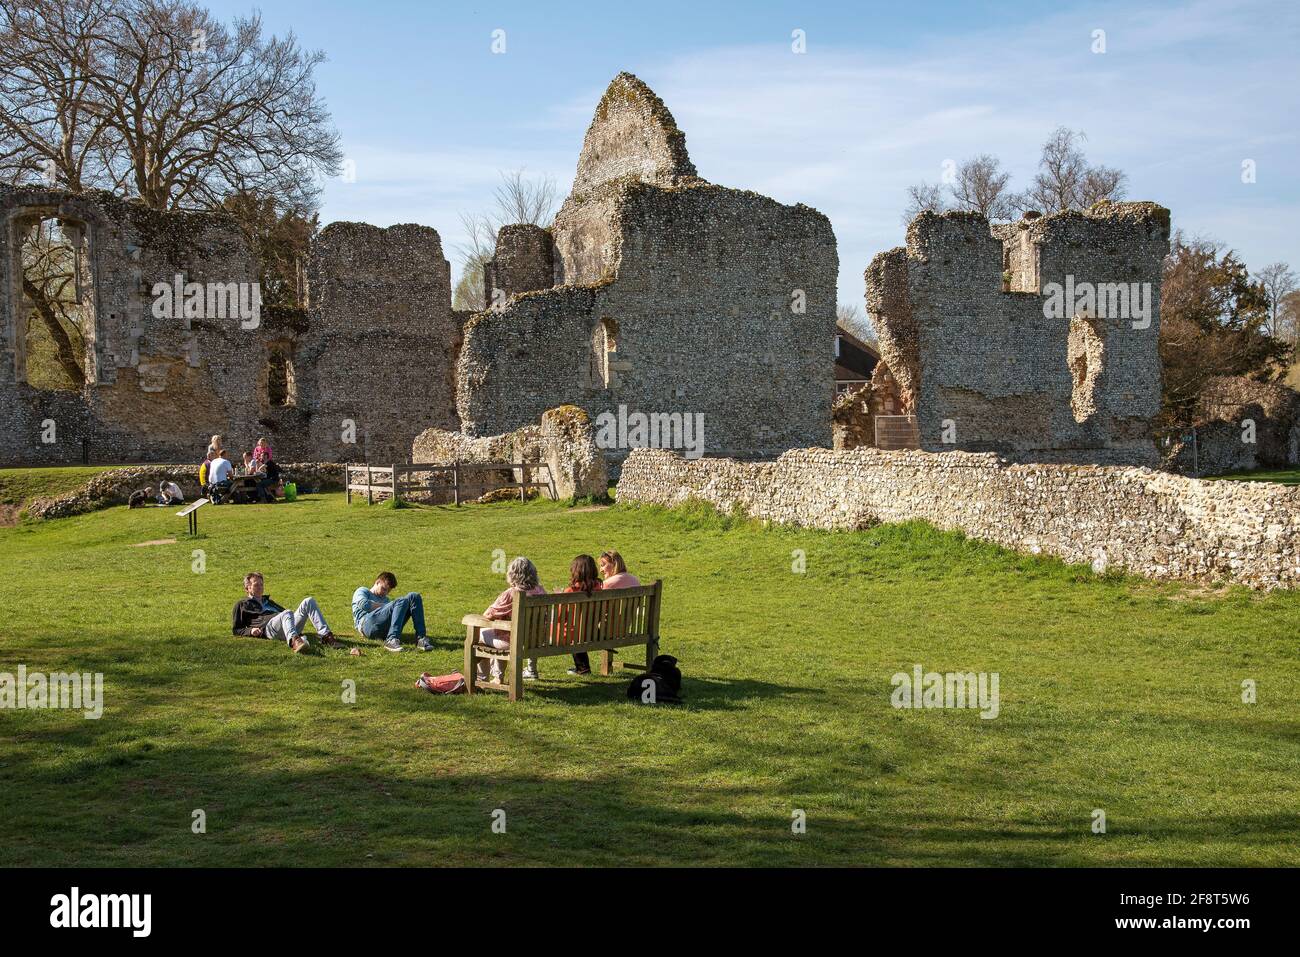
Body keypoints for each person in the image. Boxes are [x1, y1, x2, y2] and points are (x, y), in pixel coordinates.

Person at [231, 571, 339, 654]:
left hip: (284, 625)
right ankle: (294, 642)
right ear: (247, 588)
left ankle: (327, 637)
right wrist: (250, 631)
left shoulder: (268, 601)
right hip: (268, 629)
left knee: (309, 601)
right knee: (287, 612)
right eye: (256, 585)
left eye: (261, 584)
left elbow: (285, 615)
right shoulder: (242, 604)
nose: (260, 587)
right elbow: (237, 629)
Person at [477, 557, 546, 683]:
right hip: (535, 640)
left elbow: (487, 614)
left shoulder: (510, 594)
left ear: (512, 574)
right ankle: (498, 676)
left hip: (513, 641)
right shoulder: (540, 591)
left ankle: (483, 678)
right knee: (498, 632)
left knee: (480, 635)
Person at [352, 572, 431, 652]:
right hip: (366, 626)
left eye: (388, 591)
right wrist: (390, 606)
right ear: (377, 582)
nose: (385, 593)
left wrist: (393, 606)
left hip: (384, 630)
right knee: (401, 601)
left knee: (414, 596)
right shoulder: (363, 591)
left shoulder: (386, 600)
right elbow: (365, 605)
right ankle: (391, 640)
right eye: (384, 589)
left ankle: (421, 639)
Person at [560, 554, 602, 676]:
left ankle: (583, 669)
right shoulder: (599, 590)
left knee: (573, 632)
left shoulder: (570, 592)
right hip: (594, 632)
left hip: (576, 634)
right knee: (578, 631)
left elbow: (560, 617)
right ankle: (583, 668)